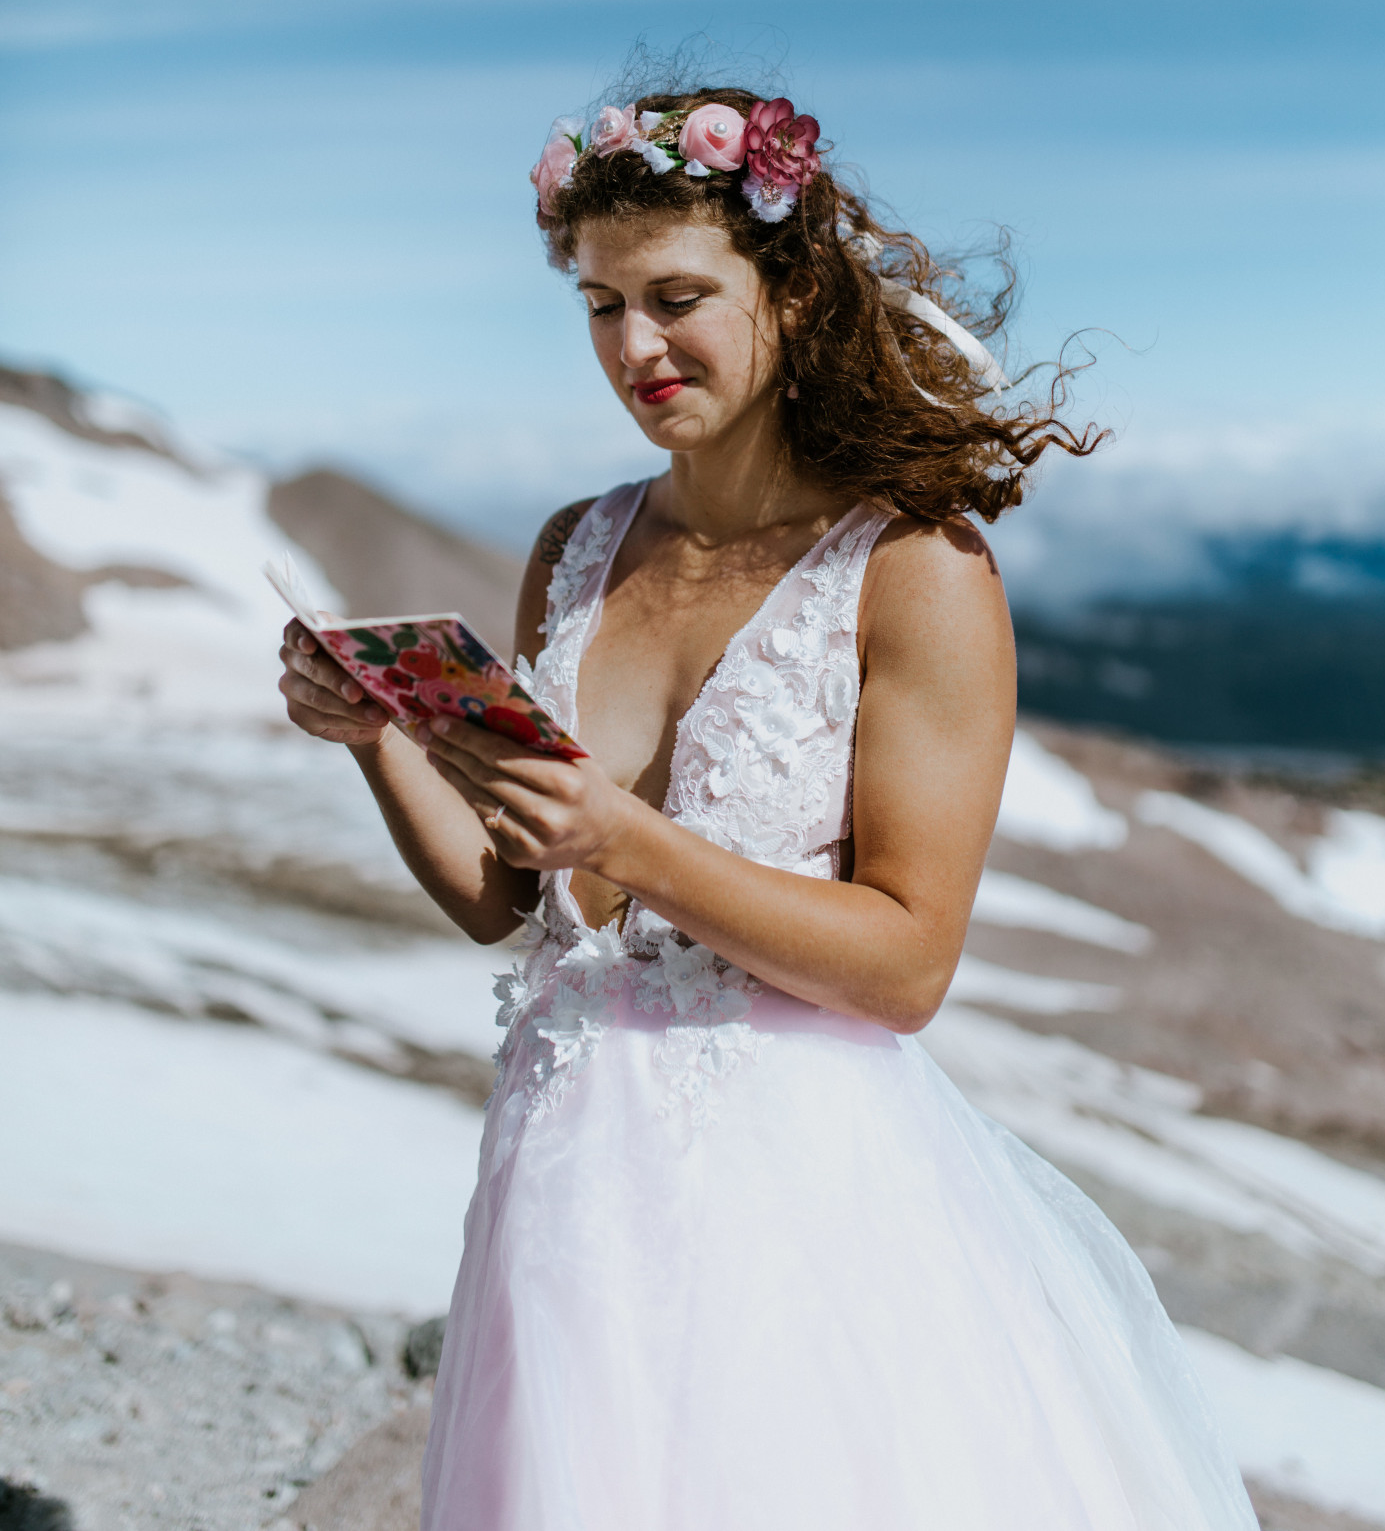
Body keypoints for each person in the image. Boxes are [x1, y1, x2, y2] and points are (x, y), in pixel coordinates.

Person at [278, 84, 1259, 1531]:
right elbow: (508, 903)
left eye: (676, 296)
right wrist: (378, 744)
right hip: (556, 1190)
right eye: (597, 304)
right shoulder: (577, 546)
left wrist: (625, 838)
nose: (632, 347)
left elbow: (909, 964)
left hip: (800, 1217)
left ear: (789, 290)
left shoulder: (917, 565)